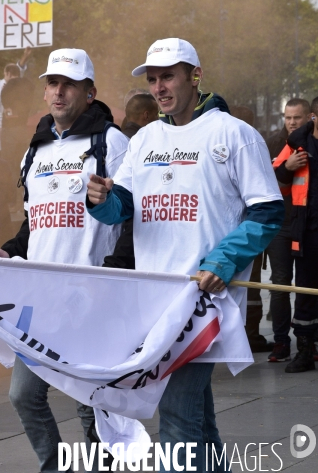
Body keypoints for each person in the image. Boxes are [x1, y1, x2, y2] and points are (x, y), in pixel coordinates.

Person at [86, 38, 283, 472]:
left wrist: (221, 261)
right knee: (193, 414)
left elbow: (268, 212)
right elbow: (125, 208)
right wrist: (102, 199)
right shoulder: (144, 141)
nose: (159, 87)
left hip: (204, 302)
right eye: (152, 79)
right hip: (156, 303)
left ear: (196, 76)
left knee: (176, 413)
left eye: (168, 76)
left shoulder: (234, 134)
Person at [0, 48, 129, 473]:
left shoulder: (113, 142)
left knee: (91, 405)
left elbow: (132, 215)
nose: (59, 91)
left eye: (69, 84)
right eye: (52, 83)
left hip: (94, 298)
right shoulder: (35, 147)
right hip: (42, 299)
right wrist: (10, 250)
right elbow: (35, 224)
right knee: (23, 396)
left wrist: (116, 276)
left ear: (90, 92)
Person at [271, 97, 318, 373]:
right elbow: (275, 177)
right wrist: (288, 167)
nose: (291, 122)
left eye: (295, 117)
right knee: (303, 289)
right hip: (306, 226)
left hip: (302, 224)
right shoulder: (297, 144)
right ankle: (303, 349)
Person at [229, 105, 274, 353]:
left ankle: (246, 334)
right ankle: (249, 334)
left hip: (236, 229)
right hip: (248, 230)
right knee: (250, 284)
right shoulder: (252, 144)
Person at [102, 93, 158, 271]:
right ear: (147, 115)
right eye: (157, 115)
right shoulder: (139, 145)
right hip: (127, 249)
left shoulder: (114, 140)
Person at [1, 63, 35, 208]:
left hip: (9, 131)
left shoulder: (7, 87)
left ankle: (12, 201)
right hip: (23, 129)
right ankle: (27, 199)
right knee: (25, 165)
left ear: (8, 73)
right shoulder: (27, 85)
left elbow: (4, 102)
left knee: (9, 166)